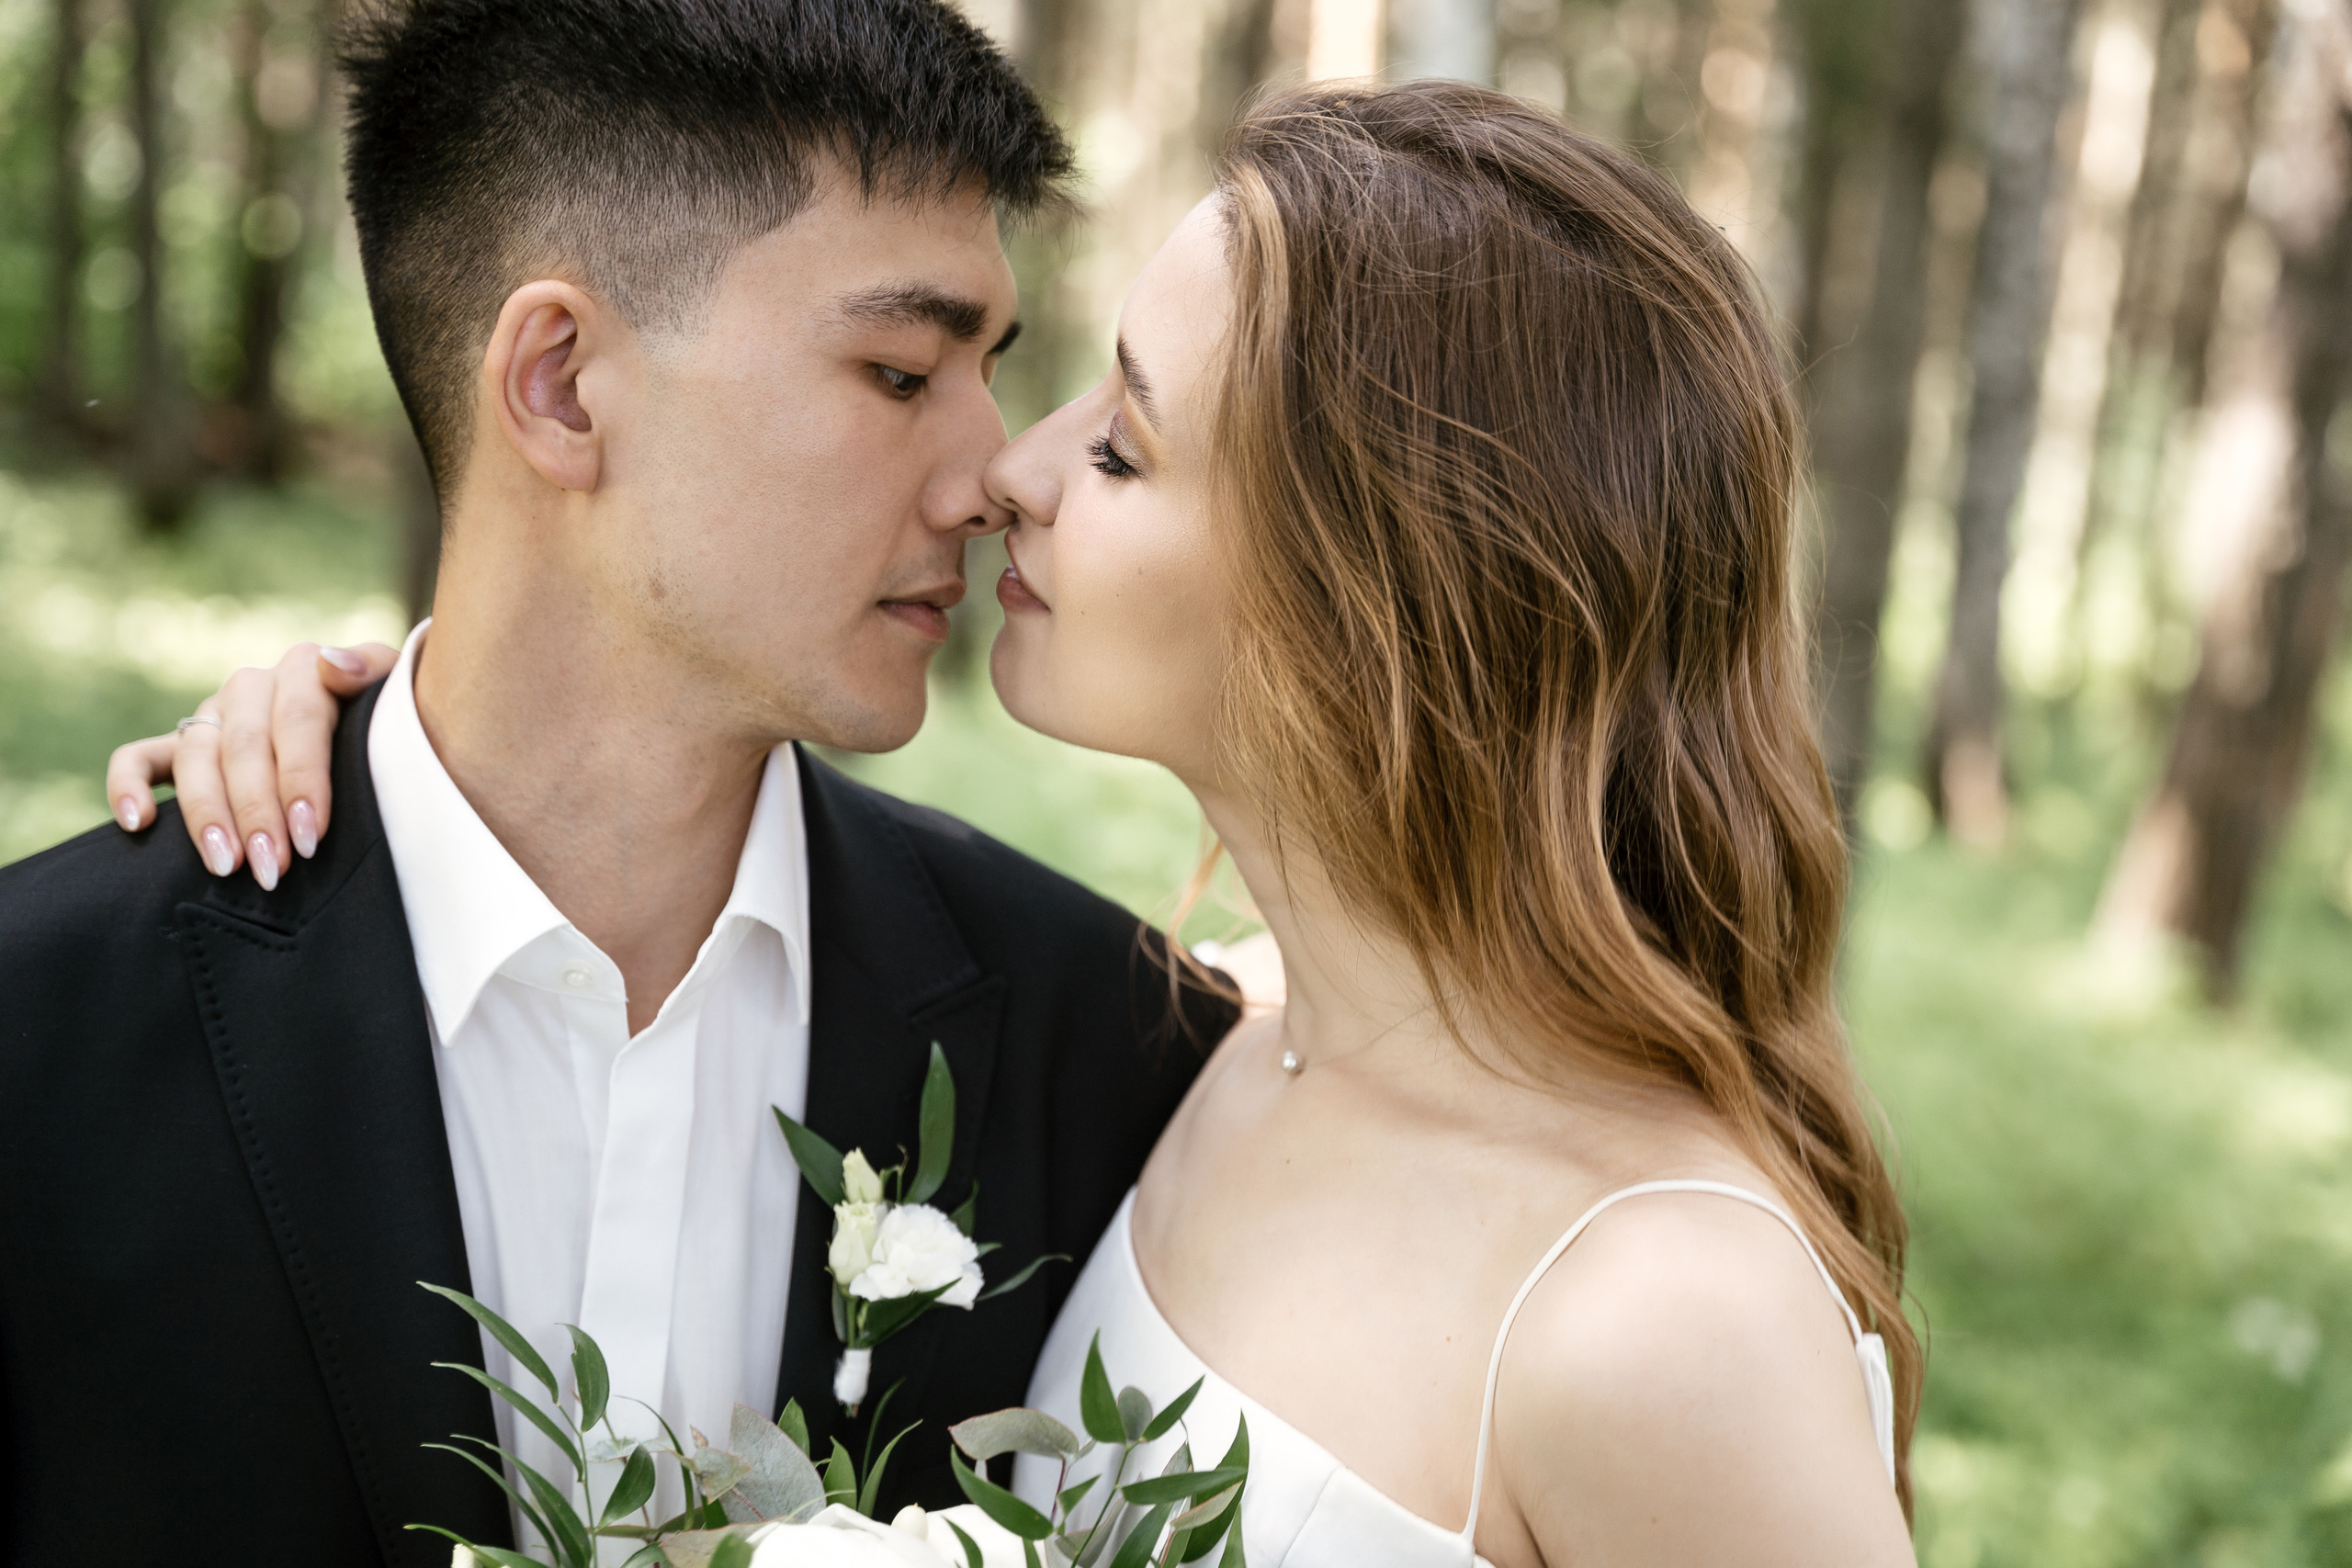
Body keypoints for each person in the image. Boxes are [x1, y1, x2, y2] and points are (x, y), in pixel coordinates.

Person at [113, 81, 1921, 1568]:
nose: (1010, 473)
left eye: (1123, 444)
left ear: (1365, 598)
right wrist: (392, 751)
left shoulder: (1655, 1315)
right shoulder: (1212, 1040)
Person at [0, 3, 1232, 1564]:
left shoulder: (1111, 1047)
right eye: (903, 370)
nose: (993, 472)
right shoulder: (40, 1038)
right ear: (564, 385)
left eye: (990, 366)